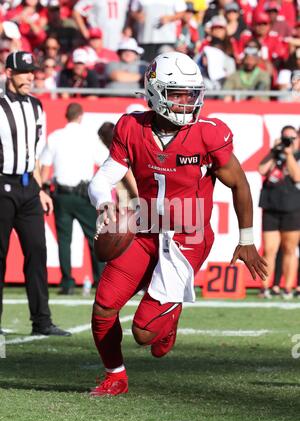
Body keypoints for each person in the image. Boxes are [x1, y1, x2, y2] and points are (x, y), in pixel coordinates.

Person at [88, 51, 267, 396]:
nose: (186, 102)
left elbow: (240, 184)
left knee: (145, 334)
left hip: (189, 234)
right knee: (103, 307)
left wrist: (246, 239)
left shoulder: (208, 134)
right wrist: (106, 204)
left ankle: (169, 313)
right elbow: (100, 180)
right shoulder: (131, 127)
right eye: (177, 94)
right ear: (155, 91)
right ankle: (115, 376)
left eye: (191, 94)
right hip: (144, 230)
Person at [0, 51, 71, 336]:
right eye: (24, 72)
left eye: (33, 72)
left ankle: (42, 321)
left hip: (29, 187)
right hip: (2, 184)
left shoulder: (36, 106)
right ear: (9, 73)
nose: (31, 76)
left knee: (37, 252)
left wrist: (40, 189)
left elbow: (36, 155)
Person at [40, 103, 106, 295]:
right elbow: (104, 162)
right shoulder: (89, 137)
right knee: (94, 238)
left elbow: (44, 167)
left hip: (61, 194)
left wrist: (44, 189)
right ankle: (99, 280)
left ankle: (67, 282)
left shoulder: (55, 137)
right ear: (80, 116)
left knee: (64, 240)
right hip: (83, 193)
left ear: (66, 116)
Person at [258, 125, 300, 299]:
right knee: (269, 250)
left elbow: (296, 176)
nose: (288, 141)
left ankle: (288, 288)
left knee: (290, 250)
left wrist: (289, 154)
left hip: (292, 208)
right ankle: (265, 288)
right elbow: (262, 169)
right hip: (271, 207)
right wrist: (274, 152)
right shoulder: (275, 154)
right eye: (285, 137)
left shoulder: (297, 156)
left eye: (292, 138)